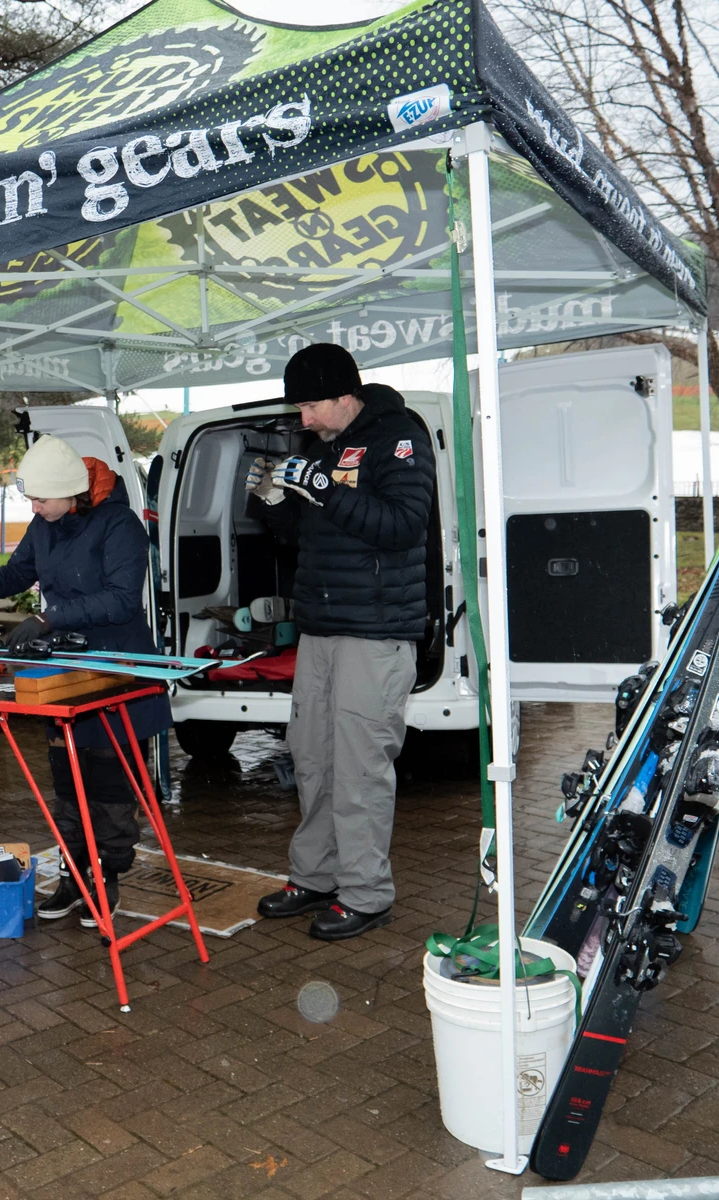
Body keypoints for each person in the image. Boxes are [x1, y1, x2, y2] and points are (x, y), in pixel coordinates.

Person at [0, 435, 168, 922]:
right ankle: (73, 873)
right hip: (65, 670)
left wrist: (49, 618)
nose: (34, 507)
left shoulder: (119, 525)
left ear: (70, 492)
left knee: (108, 783)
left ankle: (106, 875)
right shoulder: (45, 524)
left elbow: (123, 598)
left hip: (115, 671)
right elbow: (16, 572)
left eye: (41, 498)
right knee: (67, 780)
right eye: (32, 498)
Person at [250, 344, 434, 941]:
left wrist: (325, 487)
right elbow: (307, 536)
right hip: (321, 629)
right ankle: (315, 876)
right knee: (311, 759)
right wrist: (273, 503)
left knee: (359, 771)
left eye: (310, 406)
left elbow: (403, 525)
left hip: (375, 633)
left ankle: (366, 893)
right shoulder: (322, 448)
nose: (303, 419)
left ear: (344, 394)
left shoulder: (399, 438)